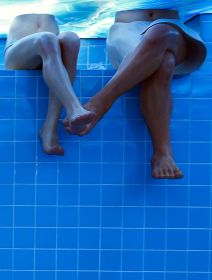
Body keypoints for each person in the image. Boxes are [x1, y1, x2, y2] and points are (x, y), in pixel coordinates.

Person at [67, 9, 207, 179]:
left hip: (175, 31)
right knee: (165, 62)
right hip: (126, 31)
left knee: (162, 31)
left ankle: (100, 102)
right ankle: (163, 153)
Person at [4, 14, 93, 155]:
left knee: (71, 39)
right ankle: (74, 108)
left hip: (52, 51)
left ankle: (49, 128)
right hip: (18, 52)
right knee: (46, 38)